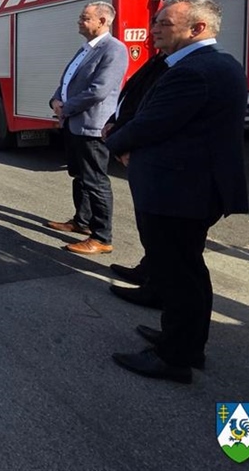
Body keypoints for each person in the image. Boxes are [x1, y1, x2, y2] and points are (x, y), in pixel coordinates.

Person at [106, 0, 248, 384]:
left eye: (165, 23)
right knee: (185, 270)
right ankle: (185, 341)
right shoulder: (216, 63)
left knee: (179, 274)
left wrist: (114, 142)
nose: (155, 30)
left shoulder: (195, 71)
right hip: (189, 188)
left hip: (179, 191)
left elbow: (151, 123)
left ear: (196, 29)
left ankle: (175, 357)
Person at [46, 1, 128, 254]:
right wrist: (55, 100)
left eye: (85, 17)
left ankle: (102, 237)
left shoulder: (114, 50)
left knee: (95, 181)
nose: (79, 21)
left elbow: (98, 90)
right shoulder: (86, 49)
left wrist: (66, 108)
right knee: (80, 177)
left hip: (92, 126)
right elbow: (68, 80)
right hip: (74, 123)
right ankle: (81, 222)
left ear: (103, 21)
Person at [101, 49, 170, 308]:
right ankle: (148, 268)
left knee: (163, 231)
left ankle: (157, 288)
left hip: (156, 160)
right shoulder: (161, 59)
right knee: (149, 224)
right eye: (155, 22)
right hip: (137, 150)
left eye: (165, 24)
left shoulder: (185, 66)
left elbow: (154, 117)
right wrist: (113, 121)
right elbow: (132, 98)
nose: (155, 29)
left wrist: (119, 144)